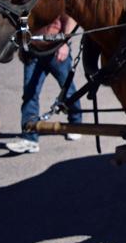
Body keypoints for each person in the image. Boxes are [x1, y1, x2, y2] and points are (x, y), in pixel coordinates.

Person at [6, 14, 83, 154]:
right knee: (30, 94)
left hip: (56, 49)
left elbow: (70, 17)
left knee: (68, 90)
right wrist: (22, 46)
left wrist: (65, 43)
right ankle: (30, 138)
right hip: (33, 51)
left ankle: (76, 123)